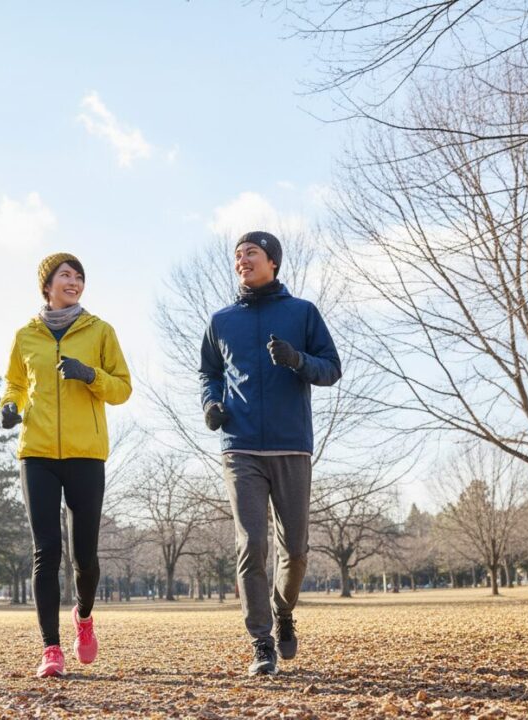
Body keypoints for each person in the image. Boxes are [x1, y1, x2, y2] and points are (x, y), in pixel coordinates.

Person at [199, 231, 342, 676]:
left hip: (291, 445)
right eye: (238, 255)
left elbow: (332, 369)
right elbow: (209, 372)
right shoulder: (222, 320)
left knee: (295, 551)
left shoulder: (302, 313)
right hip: (239, 446)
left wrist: (298, 360)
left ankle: (283, 612)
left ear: (273, 262)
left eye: (252, 253)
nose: (242, 260)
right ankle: (261, 643)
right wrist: (211, 404)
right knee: (251, 543)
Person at [0, 252, 132, 678]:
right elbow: (15, 384)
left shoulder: (101, 331)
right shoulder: (26, 335)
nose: (73, 281)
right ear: (47, 285)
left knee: (85, 557)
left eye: (78, 276)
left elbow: (123, 389)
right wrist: (9, 406)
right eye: (65, 275)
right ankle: (51, 649)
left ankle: (85, 617)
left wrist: (88, 375)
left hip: (85, 454)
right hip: (36, 453)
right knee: (46, 552)